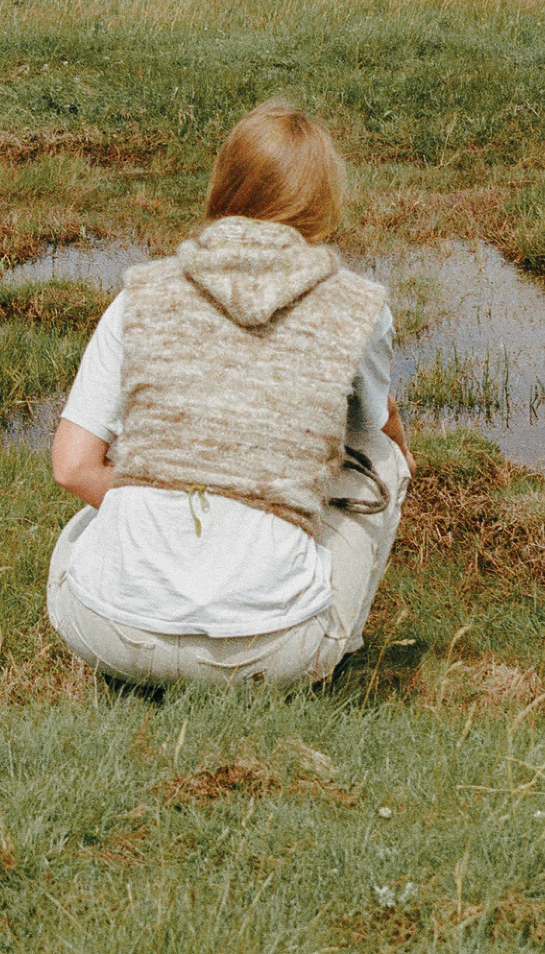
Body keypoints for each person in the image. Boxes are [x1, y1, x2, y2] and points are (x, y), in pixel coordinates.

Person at [46, 101, 415, 687]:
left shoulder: (141, 295)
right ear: (322, 199)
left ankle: (140, 611)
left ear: (224, 184)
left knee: (90, 525)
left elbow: (72, 467)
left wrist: (174, 495)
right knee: (383, 456)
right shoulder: (357, 307)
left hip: (107, 635)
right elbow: (375, 422)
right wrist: (397, 442)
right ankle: (336, 646)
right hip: (276, 656)